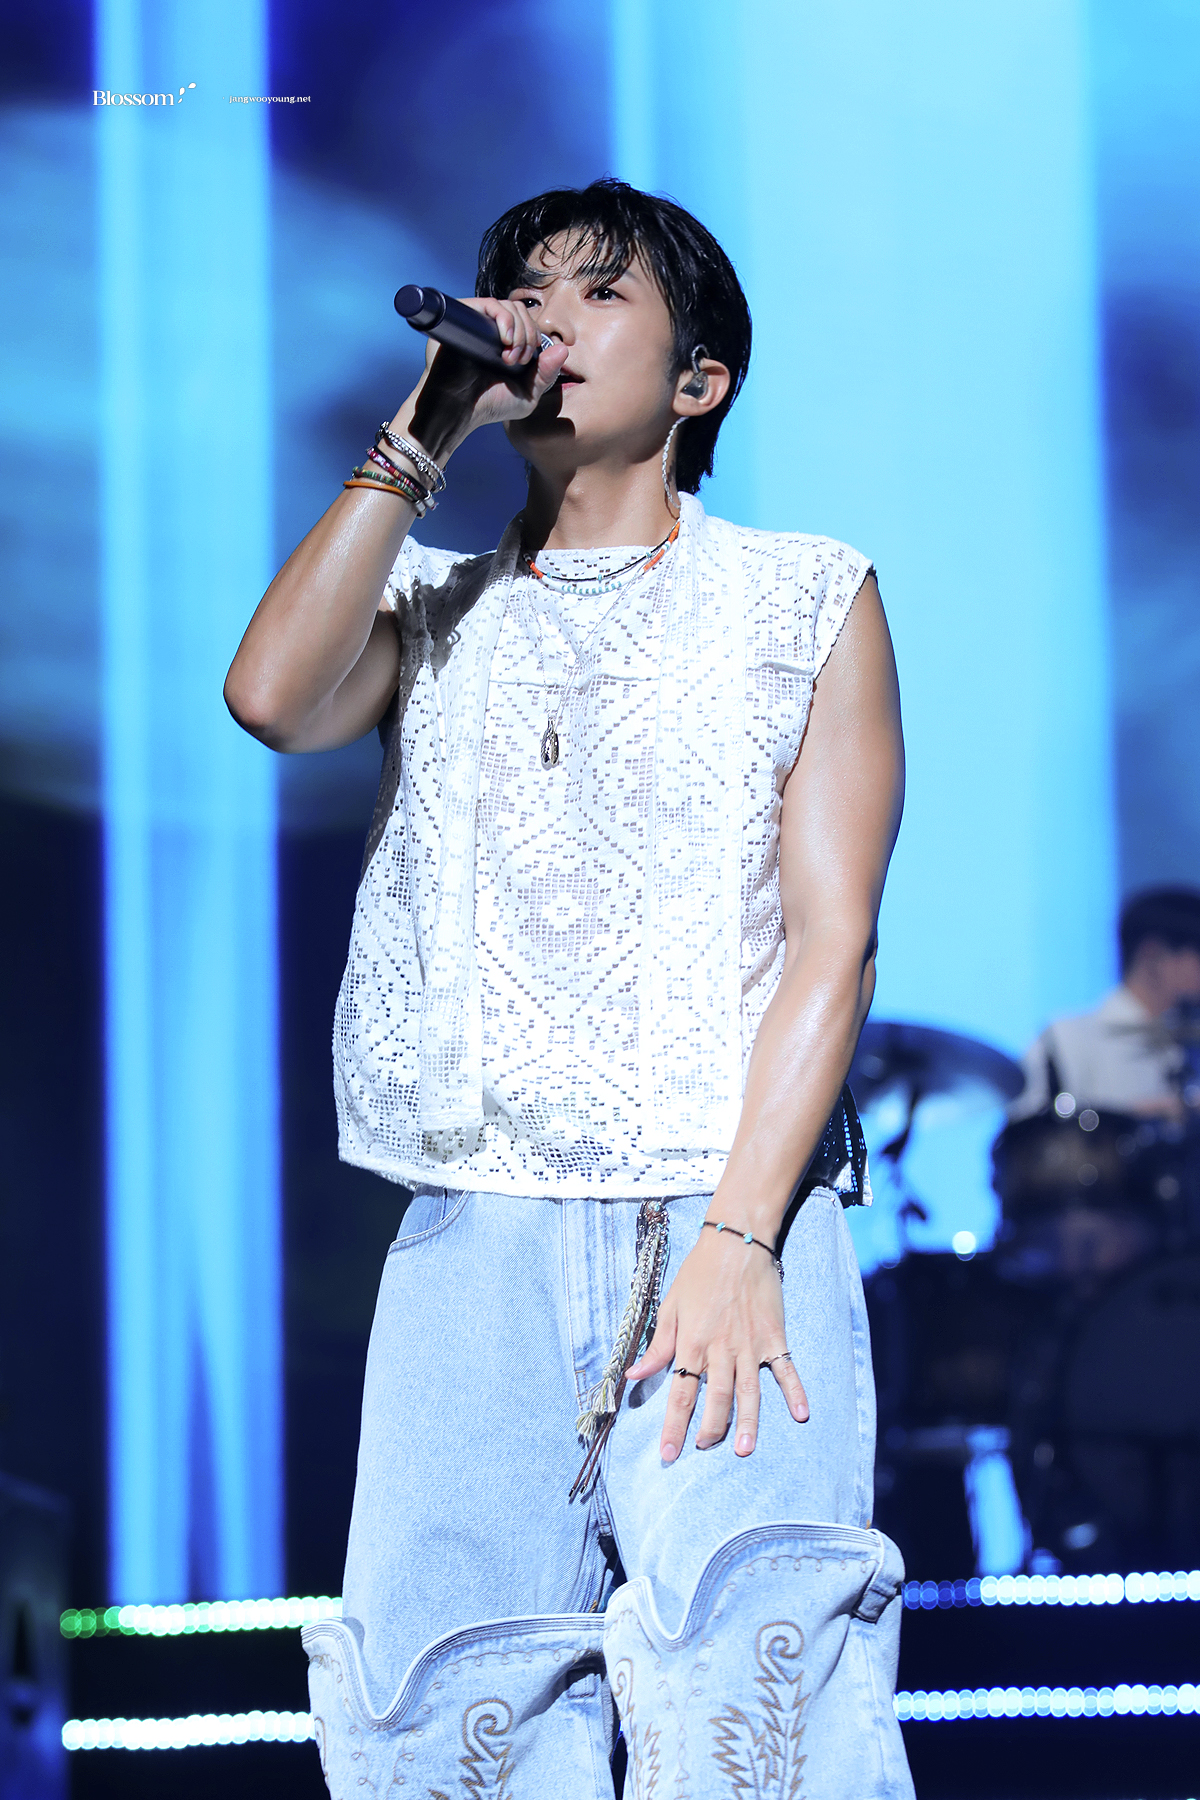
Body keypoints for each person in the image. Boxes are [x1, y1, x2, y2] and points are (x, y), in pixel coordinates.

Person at [226, 179, 909, 1799]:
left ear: (700, 380)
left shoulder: (807, 594)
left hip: (723, 1211)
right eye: (524, 289)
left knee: (752, 1687)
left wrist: (744, 1239)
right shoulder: (428, 604)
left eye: (601, 293)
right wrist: (428, 420)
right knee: (440, 1700)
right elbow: (270, 699)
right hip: (475, 1226)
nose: (545, 316)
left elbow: (834, 943)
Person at [1010, 886, 1200, 1122]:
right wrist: (1130, 1119)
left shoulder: (1185, 1042)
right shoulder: (1065, 1039)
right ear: (1152, 955)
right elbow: (1026, 1130)